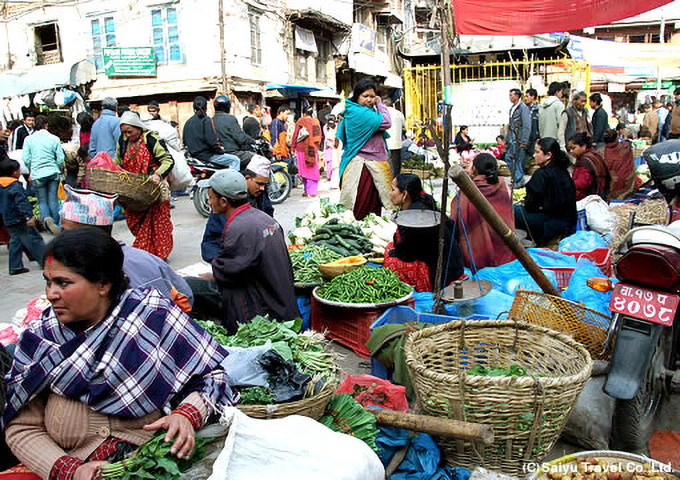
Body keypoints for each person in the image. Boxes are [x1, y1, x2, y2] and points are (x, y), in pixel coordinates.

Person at [3, 229, 233, 480]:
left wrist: (186, 415)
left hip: (155, 463)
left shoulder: (152, 317)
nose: (50, 293)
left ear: (103, 284)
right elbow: (21, 427)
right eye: (48, 282)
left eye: (63, 283)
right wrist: (69, 469)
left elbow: (211, 376)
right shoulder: (39, 339)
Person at [59, 184, 194, 311]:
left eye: (66, 232)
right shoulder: (147, 258)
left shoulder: (97, 274)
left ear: (91, 234)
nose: (61, 239)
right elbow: (186, 295)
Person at [206, 169, 299, 333]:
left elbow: (228, 271)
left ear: (223, 201)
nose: (209, 202)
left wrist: (211, 272)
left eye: (210, 198)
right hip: (283, 303)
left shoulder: (238, 227)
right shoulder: (263, 218)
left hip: (268, 315)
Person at [384, 173, 463, 292]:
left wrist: (396, 247)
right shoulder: (423, 203)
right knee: (391, 246)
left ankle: (425, 287)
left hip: (441, 275)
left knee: (390, 261)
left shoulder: (414, 216)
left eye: (393, 189)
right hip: (451, 265)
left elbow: (406, 254)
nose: (390, 193)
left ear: (405, 194)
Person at [113, 111, 175, 260]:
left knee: (158, 224)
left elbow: (168, 160)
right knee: (135, 222)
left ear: (138, 127)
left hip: (152, 190)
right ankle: (148, 252)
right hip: (133, 191)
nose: (127, 135)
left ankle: (158, 255)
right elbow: (118, 161)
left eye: (130, 131)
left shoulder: (151, 139)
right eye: (124, 132)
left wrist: (157, 174)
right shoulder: (122, 141)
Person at [337, 78, 393, 220]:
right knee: (361, 204)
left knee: (373, 205)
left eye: (372, 96)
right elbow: (386, 121)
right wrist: (379, 104)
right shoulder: (358, 113)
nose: (369, 100)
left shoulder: (360, 110)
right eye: (365, 96)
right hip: (362, 166)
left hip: (372, 164)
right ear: (357, 97)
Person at [451, 153, 514, 270]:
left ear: (474, 169)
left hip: (477, 252)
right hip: (504, 247)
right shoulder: (502, 184)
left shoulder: (468, 191)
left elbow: (454, 221)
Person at [514, 138, 577, 246]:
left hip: (551, 224)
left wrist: (525, 204)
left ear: (548, 155)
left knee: (514, 210)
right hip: (568, 222)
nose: (534, 155)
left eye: (537, 152)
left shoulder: (541, 174)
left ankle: (532, 240)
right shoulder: (563, 171)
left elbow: (532, 205)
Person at [0, 159, 45, 275]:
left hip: (7, 218)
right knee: (35, 239)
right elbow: (22, 202)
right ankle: (45, 261)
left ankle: (15, 266)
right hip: (19, 218)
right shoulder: (14, 185)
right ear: (15, 172)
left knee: (15, 240)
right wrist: (28, 217)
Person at [22, 115, 64, 235]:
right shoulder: (54, 138)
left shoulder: (28, 139)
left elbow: (25, 159)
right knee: (53, 199)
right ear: (46, 125)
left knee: (42, 201)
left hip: (37, 174)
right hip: (53, 172)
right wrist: (56, 166)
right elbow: (60, 158)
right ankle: (55, 224)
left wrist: (32, 169)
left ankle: (46, 219)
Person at [183, 97, 240, 170]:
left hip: (194, 156)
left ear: (194, 108)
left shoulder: (188, 122)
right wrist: (221, 150)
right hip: (207, 156)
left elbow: (185, 141)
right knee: (235, 160)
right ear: (206, 108)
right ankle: (233, 180)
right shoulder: (206, 120)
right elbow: (212, 141)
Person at [212, 95, 256, 169]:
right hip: (232, 152)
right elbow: (240, 137)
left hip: (218, 154)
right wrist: (253, 141)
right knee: (257, 159)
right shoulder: (230, 119)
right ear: (227, 107)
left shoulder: (211, 120)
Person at [567, 132, 610, 201]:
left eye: (573, 148)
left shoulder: (584, 161)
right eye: (569, 149)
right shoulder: (593, 155)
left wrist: (567, 183)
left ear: (583, 146)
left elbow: (584, 182)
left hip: (590, 197)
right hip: (601, 194)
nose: (571, 151)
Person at [291, 107, 322, 197]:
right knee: (312, 170)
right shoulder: (316, 121)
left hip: (301, 149)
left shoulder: (300, 121)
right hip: (312, 149)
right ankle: (311, 192)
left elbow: (295, 135)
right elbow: (319, 136)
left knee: (304, 170)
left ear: (303, 113)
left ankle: (306, 190)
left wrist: (293, 147)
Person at [600, 128, 635, 200]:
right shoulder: (626, 148)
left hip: (609, 188)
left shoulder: (601, 153)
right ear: (617, 138)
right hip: (626, 185)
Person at [506, 88, 531, 187]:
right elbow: (510, 125)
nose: (510, 97)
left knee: (517, 160)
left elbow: (526, 125)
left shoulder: (523, 108)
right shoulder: (512, 109)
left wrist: (524, 140)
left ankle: (519, 180)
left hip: (518, 138)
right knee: (510, 158)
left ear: (517, 96)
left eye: (511, 95)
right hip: (512, 138)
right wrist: (507, 140)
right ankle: (517, 179)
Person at [384, 98, 405, 177]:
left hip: (385, 143)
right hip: (397, 143)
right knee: (396, 164)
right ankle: (395, 180)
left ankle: (389, 181)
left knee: (387, 165)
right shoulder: (398, 113)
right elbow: (403, 127)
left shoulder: (381, 113)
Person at [323, 114, 338, 182]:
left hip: (333, 147)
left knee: (331, 163)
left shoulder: (335, 127)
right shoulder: (327, 128)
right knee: (330, 163)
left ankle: (330, 177)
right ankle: (330, 177)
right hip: (331, 147)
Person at [525, 88, 540, 154]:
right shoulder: (525, 109)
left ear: (533, 96)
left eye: (527, 96)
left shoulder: (539, 108)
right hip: (527, 138)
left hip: (535, 138)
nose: (525, 98)